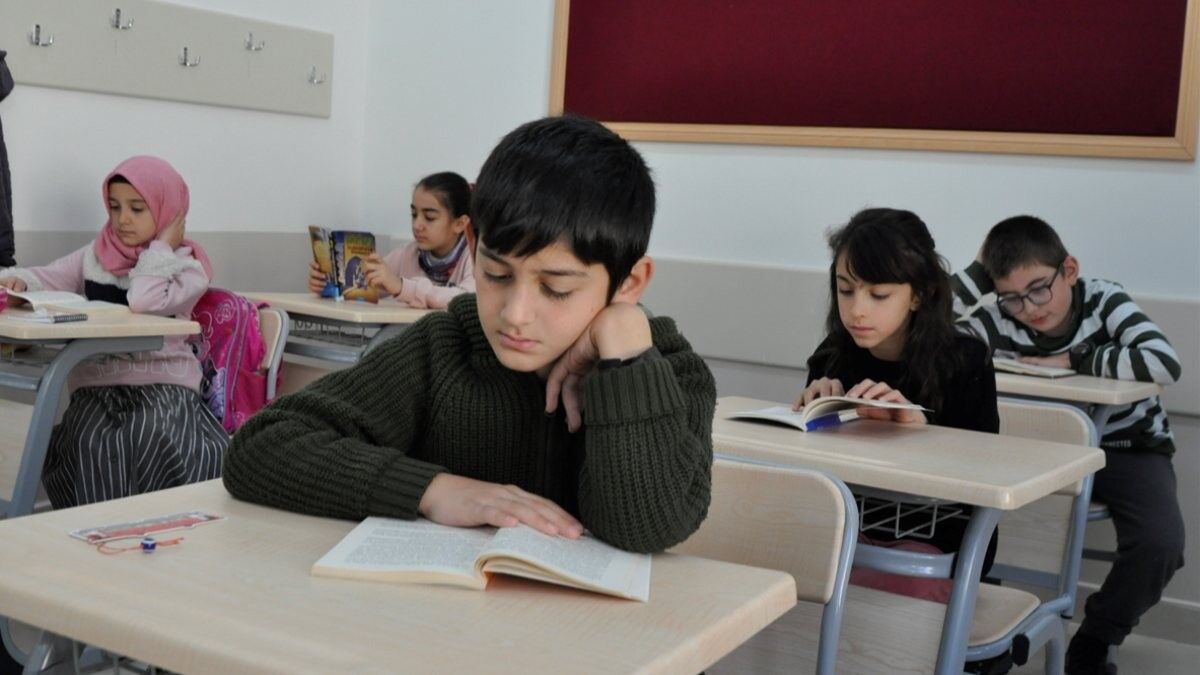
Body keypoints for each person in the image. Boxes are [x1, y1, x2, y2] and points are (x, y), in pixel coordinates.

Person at [225, 116, 715, 554]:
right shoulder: (445, 347)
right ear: (474, 244)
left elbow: (645, 528)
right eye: (496, 275)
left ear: (629, 282)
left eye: (557, 288)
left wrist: (625, 348)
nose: (515, 315)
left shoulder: (673, 372)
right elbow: (260, 447)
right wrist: (431, 489)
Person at [953, 215, 1184, 675]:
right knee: (977, 518)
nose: (1029, 308)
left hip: (1126, 445)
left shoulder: (1103, 300)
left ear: (1070, 270)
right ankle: (986, 634)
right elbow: (928, 334)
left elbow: (1163, 362)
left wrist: (1076, 358)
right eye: (1012, 297)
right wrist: (977, 276)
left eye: (1040, 288)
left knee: (1161, 542)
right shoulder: (999, 316)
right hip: (1036, 448)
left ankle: (1095, 639)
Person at [796, 207, 999, 601]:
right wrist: (812, 415)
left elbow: (985, 479)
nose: (857, 309)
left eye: (879, 294)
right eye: (845, 290)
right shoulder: (832, 357)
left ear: (918, 295)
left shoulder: (965, 361)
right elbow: (817, 478)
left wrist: (920, 433)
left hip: (939, 541)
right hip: (850, 528)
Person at [0, 155, 227, 507]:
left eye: (137, 208)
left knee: (149, 431)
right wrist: (20, 283)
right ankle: (98, 526)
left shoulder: (187, 267)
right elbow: (46, 277)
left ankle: (154, 521)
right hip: (98, 386)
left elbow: (144, 299)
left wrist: (161, 247)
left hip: (164, 386)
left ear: (168, 211)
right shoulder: (95, 256)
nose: (123, 219)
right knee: (86, 437)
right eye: (115, 206)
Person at [307, 172, 475, 308]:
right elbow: (367, 287)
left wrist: (402, 286)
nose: (417, 225)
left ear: (460, 224)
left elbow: (468, 300)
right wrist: (331, 284)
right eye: (414, 214)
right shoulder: (408, 253)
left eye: (429, 217)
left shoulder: (474, 258)